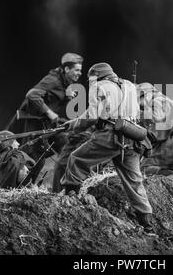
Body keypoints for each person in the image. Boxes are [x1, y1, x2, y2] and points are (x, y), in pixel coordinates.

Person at [61, 63, 154, 233]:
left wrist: (73, 124)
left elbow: (92, 116)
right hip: (132, 138)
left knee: (76, 159)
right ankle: (147, 225)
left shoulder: (99, 86)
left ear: (97, 76)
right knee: (135, 182)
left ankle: (69, 199)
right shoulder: (130, 86)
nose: (90, 82)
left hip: (110, 136)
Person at [10, 52, 84, 182]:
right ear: (67, 69)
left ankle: (66, 183)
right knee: (36, 157)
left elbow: (52, 98)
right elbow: (32, 94)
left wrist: (66, 97)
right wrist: (49, 112)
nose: (80, 73)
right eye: (77, 70)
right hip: (35, 122)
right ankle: (23, 186)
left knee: (64, 144)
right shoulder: (53, 80)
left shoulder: (64, 82)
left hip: (47, 123)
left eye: (80, 70)